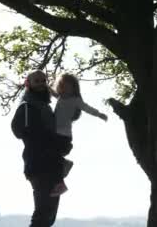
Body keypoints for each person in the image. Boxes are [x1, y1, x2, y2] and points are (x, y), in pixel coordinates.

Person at [11, 70, 62, 227]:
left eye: (43, 80)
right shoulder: (26, 107)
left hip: (54, 166)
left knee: (49, 215)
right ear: (28, 84)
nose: (40, 84)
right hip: (38, 165)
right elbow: (17, 130)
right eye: (36, 81)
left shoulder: (46, 107)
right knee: (43, 213)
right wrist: (43, 137)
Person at [49, 73, 108, 196]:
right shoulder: (60, 97)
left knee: (53, 157)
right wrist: (46, 85)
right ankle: (64, 164)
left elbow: (87, 108)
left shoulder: (75, 100)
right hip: (55, 133)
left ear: (74, 88)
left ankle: (60, 183)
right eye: (61, 86)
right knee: (51, 156)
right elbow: (52, 92)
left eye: (67, 86)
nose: (64, 89)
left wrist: (99, 114)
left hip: (64, 135)